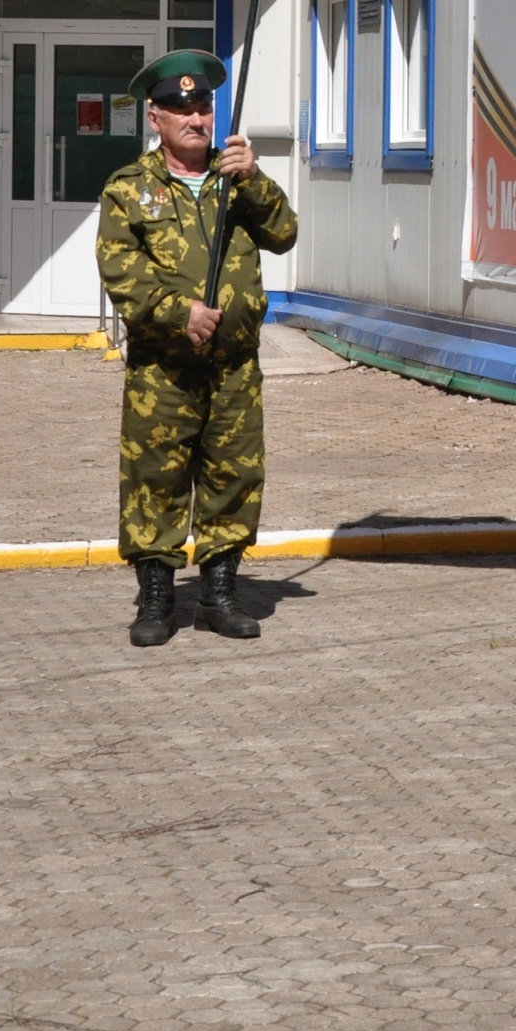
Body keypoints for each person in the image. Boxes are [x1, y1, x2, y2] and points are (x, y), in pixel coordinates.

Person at [97, 50, 300, 647]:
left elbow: (284, 234)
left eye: (204, 107)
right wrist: (176, 313)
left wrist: (254, 180)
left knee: (232, 478)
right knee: (154, 478)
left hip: (234, 368)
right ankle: (157, 598)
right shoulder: (129, 190)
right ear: (154, 118)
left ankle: (219, 593)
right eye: (181, 109)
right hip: (164, 369)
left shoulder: (236, 179)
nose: (196, 119)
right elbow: (121, 272)